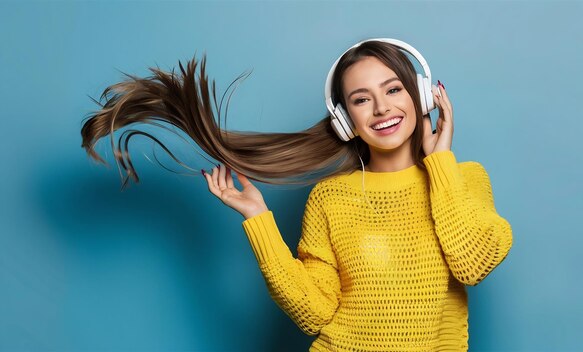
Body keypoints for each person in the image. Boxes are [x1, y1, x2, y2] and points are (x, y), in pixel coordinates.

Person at [80, 38, 513, 351]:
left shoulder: (464, 179)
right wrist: (259, 220)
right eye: (362, 100)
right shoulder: (331, 198)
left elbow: (472, 264)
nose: (382, 109)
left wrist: (439, 163)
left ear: (421, 95)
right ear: (347, 121)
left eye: (394, 89)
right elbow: (317, 312)